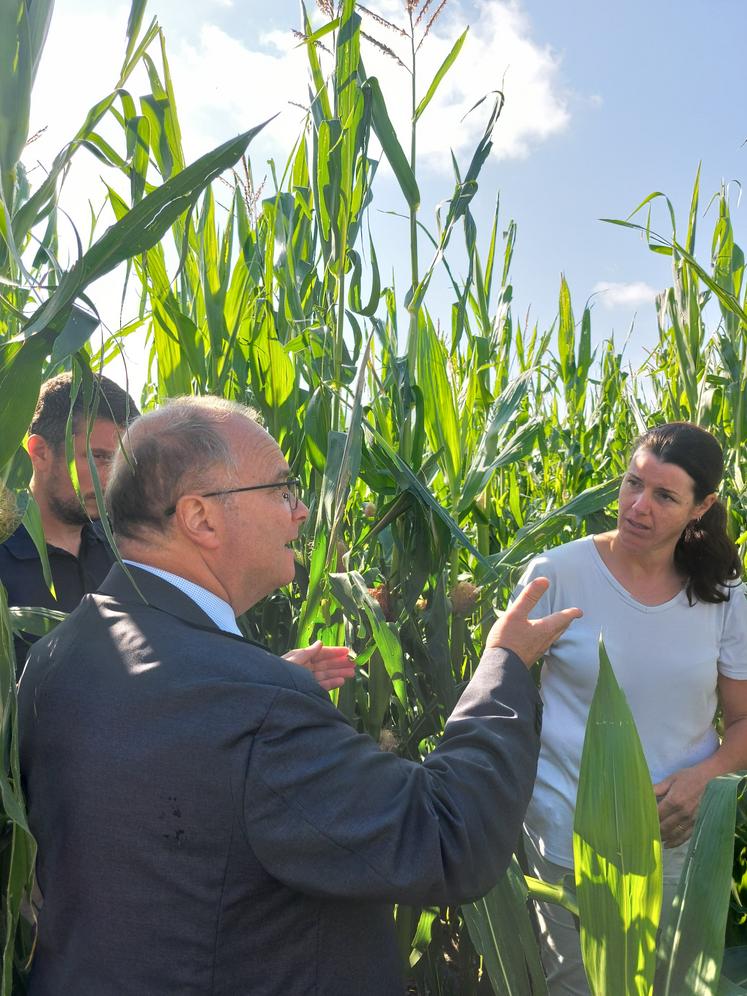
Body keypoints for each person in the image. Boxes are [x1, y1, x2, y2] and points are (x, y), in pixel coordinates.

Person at [18, 395, 581, 996]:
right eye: (281, 490)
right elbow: (448, 834)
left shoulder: (60, 652)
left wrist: (265, 680)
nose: (303, 511)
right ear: (200, 518)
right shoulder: (252, 705)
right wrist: (506, 662)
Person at [515, 422, 747, 995]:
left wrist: (706, 778)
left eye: (664, 496)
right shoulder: (558, 575)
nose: (638, 506)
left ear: (703, 507)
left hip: (672, 845)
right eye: (632, 483)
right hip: (566, 841)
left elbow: (743, 722)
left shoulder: (723, 596)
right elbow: (500, 696)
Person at [0, 372, 139, 670]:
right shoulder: (4, 557)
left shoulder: (127, 548)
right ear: (39, 453)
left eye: (121, 461)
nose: (113, 478)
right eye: (98, 458)